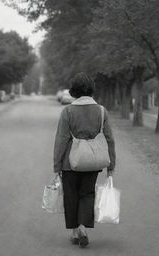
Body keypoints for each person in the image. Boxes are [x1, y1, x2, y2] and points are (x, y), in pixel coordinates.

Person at [53, 72, 116, 248]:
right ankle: (83, 228)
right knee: (87, 194)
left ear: (74, 90)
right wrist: (111, 163)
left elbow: (61, 140)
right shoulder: (101, 111)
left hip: (69, 163)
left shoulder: (68, 111)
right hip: (92, 162)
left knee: (71, 196)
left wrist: (57, 164)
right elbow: (109, 139)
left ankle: (74, 231)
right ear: (91, 90)